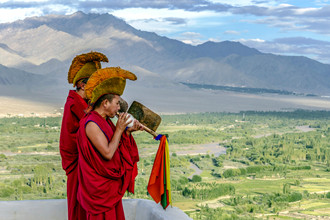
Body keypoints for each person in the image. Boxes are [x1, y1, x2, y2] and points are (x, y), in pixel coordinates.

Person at [76, 67, 142, 220]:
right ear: (105, 103)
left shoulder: (105, 121)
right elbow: (107, 153)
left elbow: (115, 144)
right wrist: (119, 129)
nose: (119, 108)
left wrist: (127, 132)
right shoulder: (91, 124)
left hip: (109, 190)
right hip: (99, 192)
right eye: (117, 103)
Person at [59, 51, 108, 220]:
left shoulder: (84, 103)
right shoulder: (75, 104)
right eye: (93, 86)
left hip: (83, 162)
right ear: (81, 84)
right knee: (80, 205)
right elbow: (95, 127)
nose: (95, 91)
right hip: (77, 163)